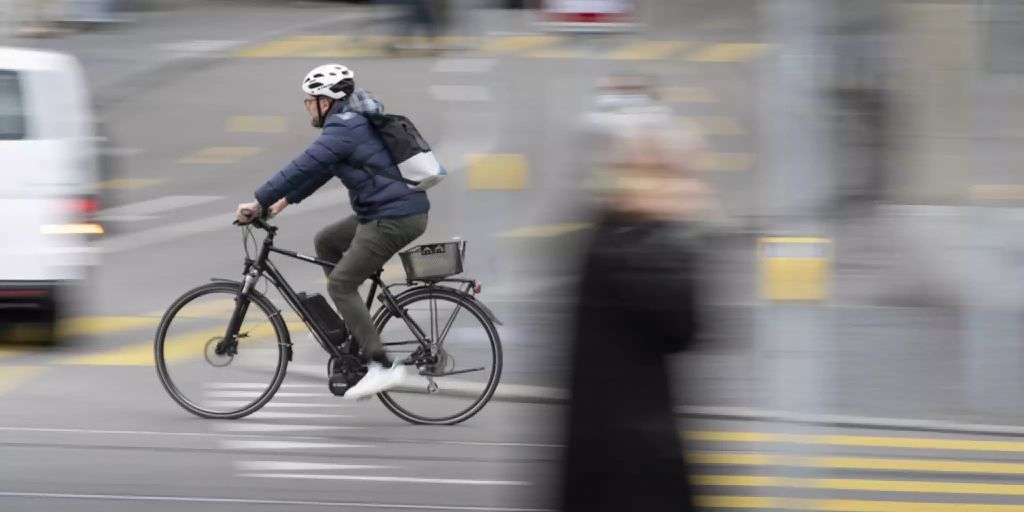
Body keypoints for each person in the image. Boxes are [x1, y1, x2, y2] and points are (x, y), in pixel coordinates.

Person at [235, 64, 429, 400]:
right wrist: (284, 201)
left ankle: (382, 366)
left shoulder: (343, 129)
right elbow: (323, 169)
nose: (307, 106)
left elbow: (304, 164)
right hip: (389, 212)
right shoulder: (350, 123)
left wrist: (258, 200)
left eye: (309, 100)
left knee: (341, 283)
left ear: (326, 101)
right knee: (326, 241)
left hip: (393, 217)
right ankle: (349, 327)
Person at [559, 123, 711, 512]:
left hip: (608, 457)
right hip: (633, 465)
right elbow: (685, 326)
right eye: (676, 175)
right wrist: (674, 228)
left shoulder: (604, 237)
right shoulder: (637, 254)